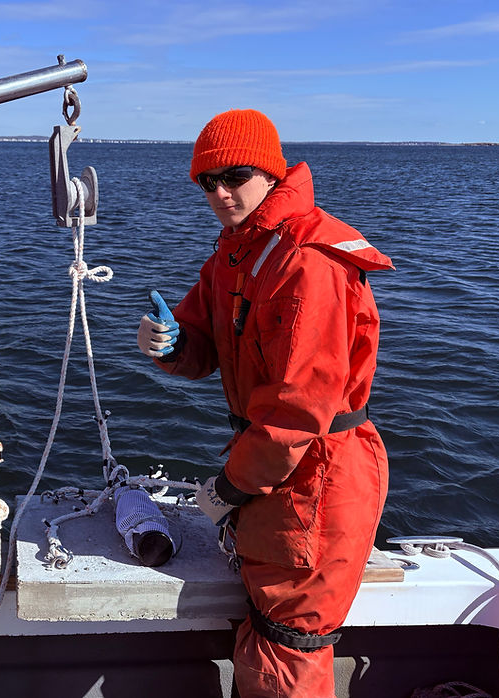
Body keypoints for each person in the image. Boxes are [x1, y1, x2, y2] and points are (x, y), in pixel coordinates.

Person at [137, 109, 394, 697]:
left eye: (236, 176)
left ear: (272, 174)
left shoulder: (307, 261)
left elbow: (298, 409)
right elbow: (199, 341)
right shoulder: (239, 251)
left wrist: (230, 485)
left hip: (316, 478)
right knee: (269, 639)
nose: (221, 193)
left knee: (289, 650)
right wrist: (166, 343)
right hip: (276, 475)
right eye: (208, 181)